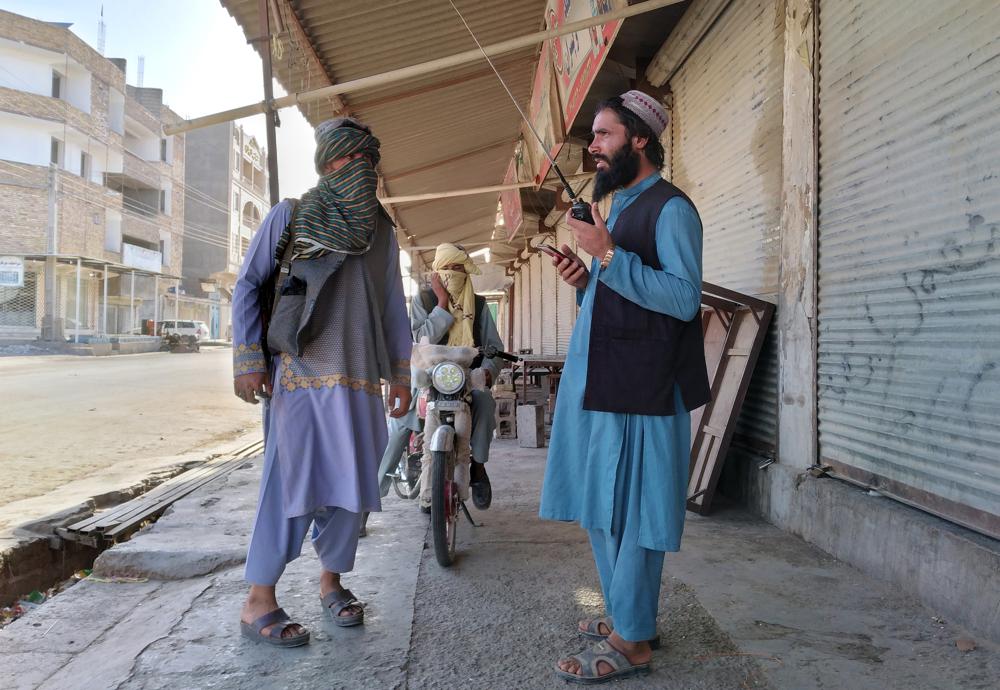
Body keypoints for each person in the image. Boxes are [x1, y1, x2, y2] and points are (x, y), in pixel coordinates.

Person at [539, 90, 710, 683]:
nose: (594, 147)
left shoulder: (671, 210)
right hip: (603, 380)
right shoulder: (617, 205)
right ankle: (628, 617)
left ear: (640, 139)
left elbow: (684, 300)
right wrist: (585, 279)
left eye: (605, 134)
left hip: (646, 387)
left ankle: (633, 641)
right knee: (603, 505)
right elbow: (624, 295)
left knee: (635, 510)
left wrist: (608, 253)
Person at [231, 117, 412, 647]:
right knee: (291, 484)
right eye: (350, 158)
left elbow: (393, 308)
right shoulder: (292, 215)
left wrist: (399, 373)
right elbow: (248, 284)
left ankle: (330, 583)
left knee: (351, 489)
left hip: (359, 382)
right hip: (301, 376)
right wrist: (247, 359)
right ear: (328, 163)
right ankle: (258, 600)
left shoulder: (382, 233)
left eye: (368, 159)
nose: (362, 168)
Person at [403, 242, 503, 513]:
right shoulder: (423, 301)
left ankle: (478, 467)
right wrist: (442, 304)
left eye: (459, 268)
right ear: (436, 272)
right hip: (430, 377)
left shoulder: (479, 305)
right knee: (402, 422)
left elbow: (497, 348)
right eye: (448, 269)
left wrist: (487, 371)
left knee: (484, 403)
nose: (454, 274)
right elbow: (421, 339)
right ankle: (383, 483)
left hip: (468, 379)